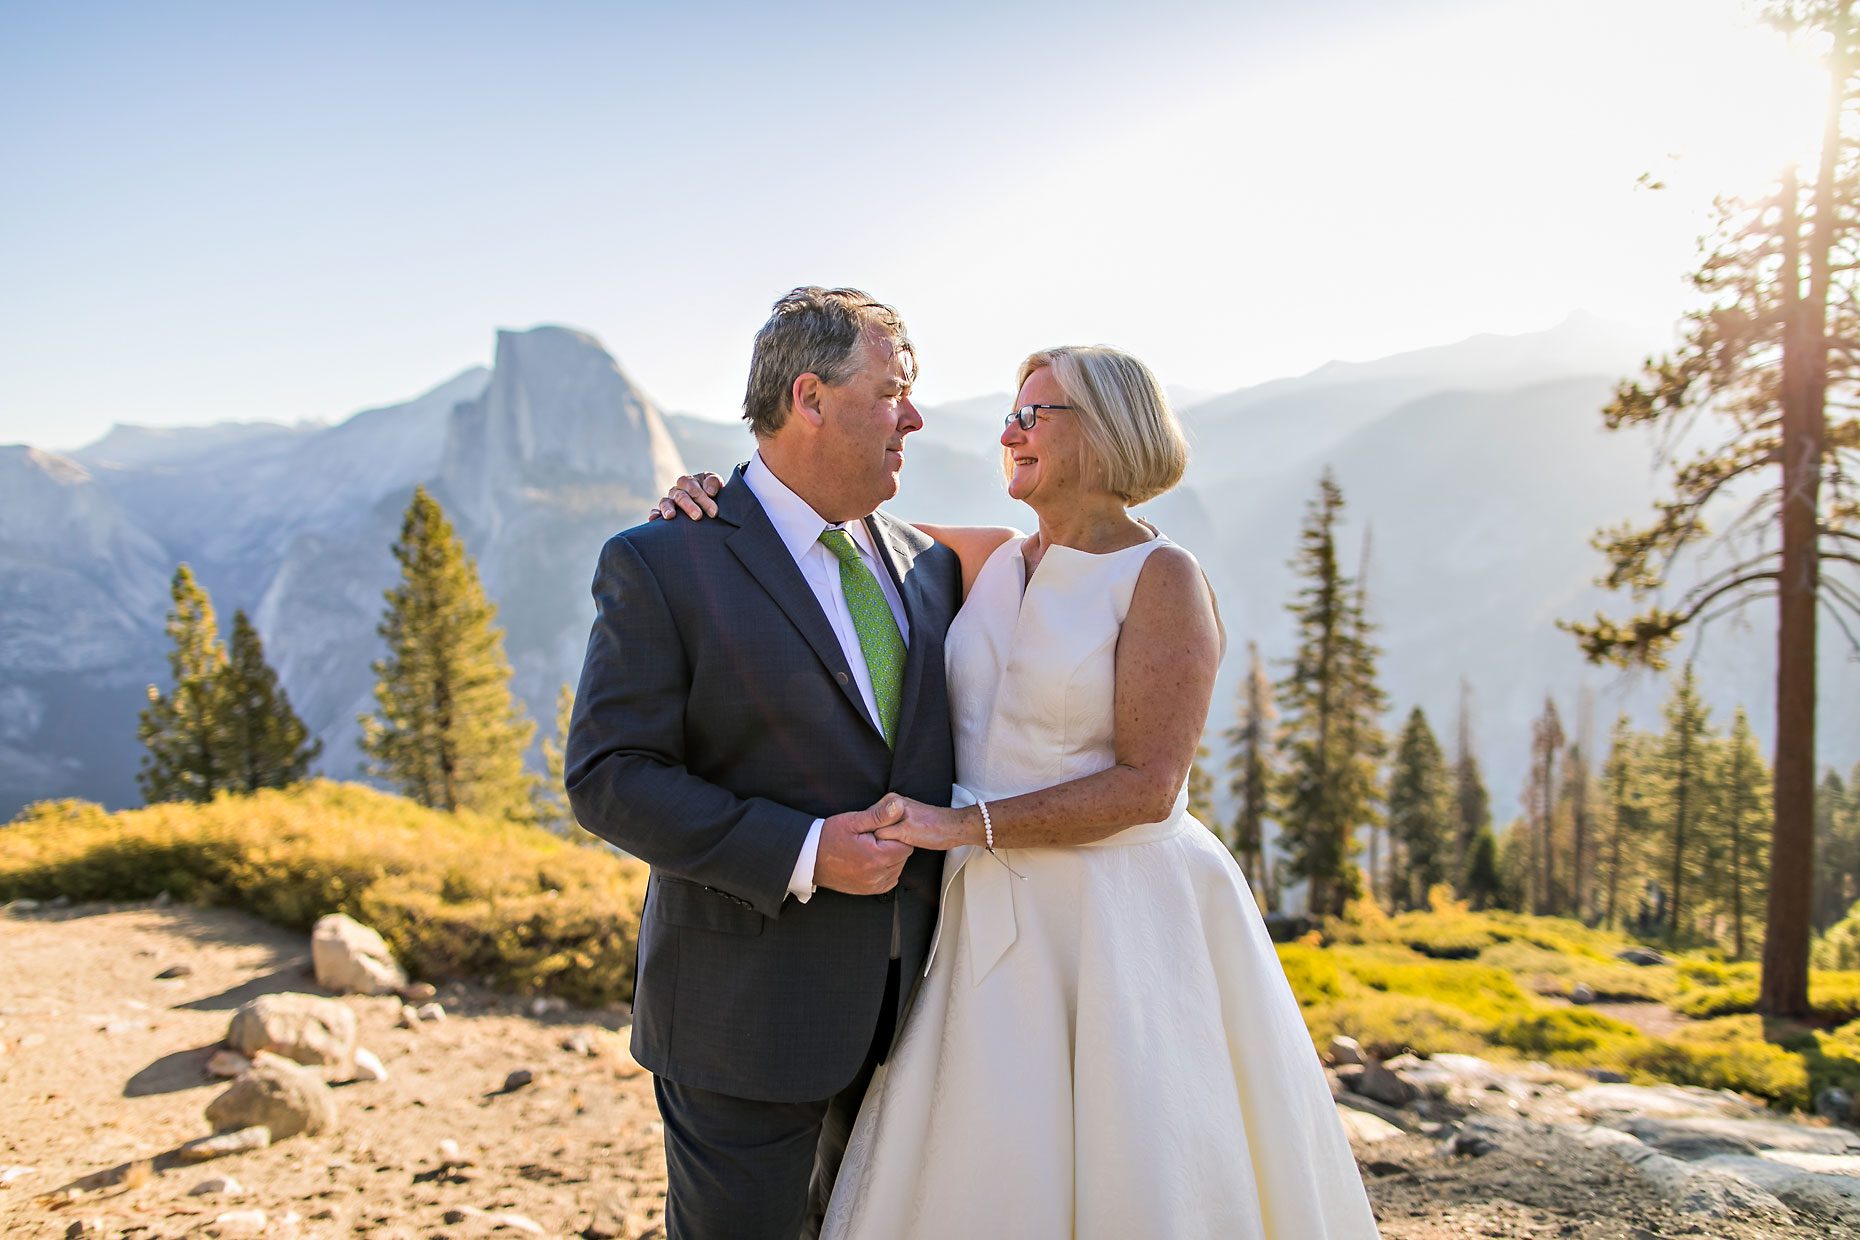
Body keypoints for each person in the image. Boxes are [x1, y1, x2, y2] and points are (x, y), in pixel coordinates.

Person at [654, 345, 1381, 1237]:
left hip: (1114, 920)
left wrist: (962, 825)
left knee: (1127, 1160)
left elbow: (1150, 789)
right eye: (1011, 411)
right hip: (981, 915)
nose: (1008, 432)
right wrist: (716, 502)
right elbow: (808, 530)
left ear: (1110, 431)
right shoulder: (988, 557)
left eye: (1034, 415)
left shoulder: (1163, 579)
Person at [565, 286, 964, 1240]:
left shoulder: (932, 564)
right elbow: (609, 776)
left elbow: (1085, 562)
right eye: (893, 391)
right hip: (742, 1024)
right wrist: (803, 851)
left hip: (920, 1016)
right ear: (810, 399)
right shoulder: (665, 561)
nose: (913, 415)